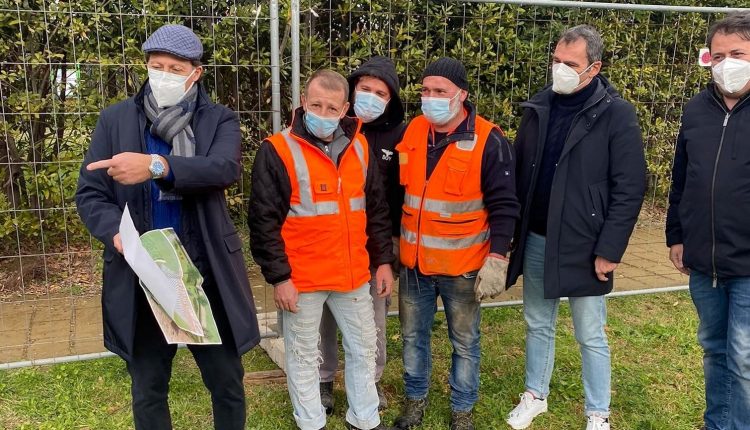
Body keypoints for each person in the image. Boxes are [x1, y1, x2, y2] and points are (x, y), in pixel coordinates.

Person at [75, 24, 260, 430]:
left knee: (226, 382)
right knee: (148, 388)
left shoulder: (219, 119)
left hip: (204, 274)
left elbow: (222, 168)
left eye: (176, 69)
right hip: (143, 275)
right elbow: (90, 194)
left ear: (196, 73)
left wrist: (157, 166)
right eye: (156, 66)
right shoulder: (115, 120)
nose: (164, 75)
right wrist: (117, 234)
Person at [505, 25, 646, 430]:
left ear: (593, 68)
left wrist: (610, 248)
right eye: (556, 61)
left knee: (590, 333)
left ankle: (598, 412)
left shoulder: (616, 113)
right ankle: (535, 395)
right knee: (537, 322)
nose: (560, 69)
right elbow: (521, 168)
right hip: (536, 237)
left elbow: (630, 186)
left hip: (586, 243)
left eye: (570, 64)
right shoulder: (539, 106)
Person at [248, 69, 395, 430]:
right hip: (302, 279)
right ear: (303, 102)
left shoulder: (360, 146)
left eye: (332, 108)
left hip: (353, 275)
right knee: (302, 355)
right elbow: (263, 222)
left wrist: (383, 262)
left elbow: (376, 209)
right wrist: (280, 278)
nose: (323, 113)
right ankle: (310, 422)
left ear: (345, 109)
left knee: (364, 349)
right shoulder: (277, 150)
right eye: (316, 105)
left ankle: (364, 419)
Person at [393, 57, 519, 430]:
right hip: (414, 265)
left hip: (463, 267)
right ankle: (415, 401)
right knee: (412, 337)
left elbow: (505, 205)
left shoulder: (489, 139)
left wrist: (497, 258)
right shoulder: (414, 130)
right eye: (425, 90)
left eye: (440, 91)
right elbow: (399, 192)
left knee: (464, 342)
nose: (430, 98)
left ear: (461, 94)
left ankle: (462, 409)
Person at [666, 12, 750, 430]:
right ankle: (717, 423)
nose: (726, 63)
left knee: (744, 356)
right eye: (718, 55)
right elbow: (681, 178)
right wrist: (676, 235)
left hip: (748, 264)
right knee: (714, 348)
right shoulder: (697, 109)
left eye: (737, 54)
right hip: (703, 261)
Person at [318, 56, 406, 413]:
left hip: (373, 247)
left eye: (380, 93)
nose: (371, 97)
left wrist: (388, 252)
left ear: (391, 99)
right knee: (323, 316)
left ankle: (371, 379)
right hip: (326, 244)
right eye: (365, 89)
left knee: (373, 319)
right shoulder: (328, 125)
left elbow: (395, 197)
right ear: (352, 91)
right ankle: (323, 379)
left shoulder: (399, 136)